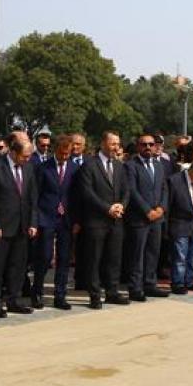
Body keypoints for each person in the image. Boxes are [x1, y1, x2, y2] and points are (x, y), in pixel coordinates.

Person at [0, 136, 39, 318]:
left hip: (22, 226)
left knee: (18, 267)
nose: (27, 159)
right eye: (24, 156)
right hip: (1, 228)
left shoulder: (29, 168)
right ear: (13, 152)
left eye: (29, 156)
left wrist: (33, 222)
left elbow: (32, 198)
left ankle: (13, 300)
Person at [78, 132, 131, 308]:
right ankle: (94, 295)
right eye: (112, 143)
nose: (116, 147)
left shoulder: (119, 165)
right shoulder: (89, 165)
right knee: (94, 259)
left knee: (114, 258)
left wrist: (121, 206)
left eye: (118, 143)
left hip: (116, 221)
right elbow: (87, 193)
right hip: (96, 221)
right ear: (103, 144)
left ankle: (112, 292)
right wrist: (107, 208)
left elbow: (126, 189)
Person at [33, 133, 80, 310]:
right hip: (46, 217)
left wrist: (76, 220)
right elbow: (36, 194)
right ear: (55, 150)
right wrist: (35, 219)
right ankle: (36, 291)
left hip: (66, 219)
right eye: (62, 153)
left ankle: (60, 296)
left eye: (68, 154)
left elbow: (76, 197)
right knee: (44, 257)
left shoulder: (75, 169)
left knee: (64, 258)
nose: (65, 157)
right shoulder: (43, 168)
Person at [124, 134, 169, 301]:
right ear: (138, 146)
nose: (148, 147)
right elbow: (132, 191)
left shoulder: (159, 165)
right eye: (144, 144)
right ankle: (135, 288)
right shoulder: (131, 166)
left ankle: (150, 284)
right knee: (137, 254)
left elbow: (164, 188)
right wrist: (146, 210)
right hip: (139, 218)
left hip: (157, 218)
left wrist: (161, 208)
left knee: (153, 252)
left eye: (151, 144)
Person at [167, 159, 193, 293]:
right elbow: (169, 204)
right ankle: (177, 283)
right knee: (180, 256)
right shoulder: (175, 181)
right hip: (179, 223)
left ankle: (189, 281)